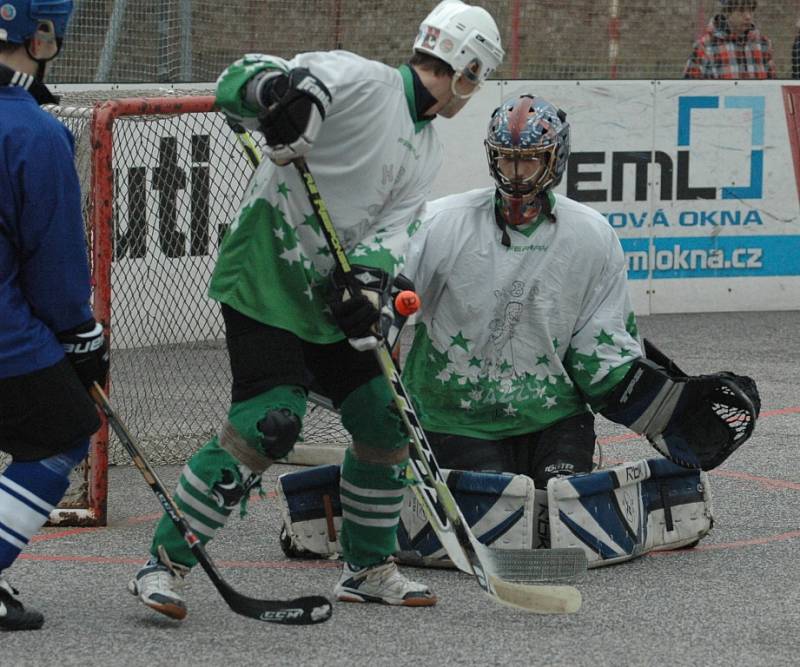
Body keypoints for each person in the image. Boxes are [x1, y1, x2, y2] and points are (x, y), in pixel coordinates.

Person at [127, 0, 504, 619]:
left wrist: (367, 289)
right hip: (266, 274)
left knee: (386, 419)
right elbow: (237, 82)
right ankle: (162, 565)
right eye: (476, 77)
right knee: (269, 423)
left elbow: (389, 236)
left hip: (324, 292)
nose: (471, 91)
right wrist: (277, 91)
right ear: (467, 69)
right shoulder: (363, 80)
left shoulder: (427, 148)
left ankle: (366, 567)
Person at [400, 94, 760, 545]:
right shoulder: (442, 223)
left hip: (555, 417)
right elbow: (386, 295)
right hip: (453, 416)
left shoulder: (591, 235)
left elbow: (601, 350)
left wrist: (661, 409)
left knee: (560, 514)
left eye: (529, 161)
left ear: (555, 160)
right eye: (507, 161)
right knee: (505, 517)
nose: (516, 174)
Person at [0, 0, 109, 631]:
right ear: (40, 40)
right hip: (5, 335)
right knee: (64, 427)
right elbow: (54, 263)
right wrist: (79, 334)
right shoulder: (33, 133)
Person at [683, 0, 775, 79]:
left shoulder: (763, 45)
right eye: (741, 11)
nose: (748, 17)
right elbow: (688, 90)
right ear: (727, 12)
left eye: (750, 10)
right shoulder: (705, 47)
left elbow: (773, 89)